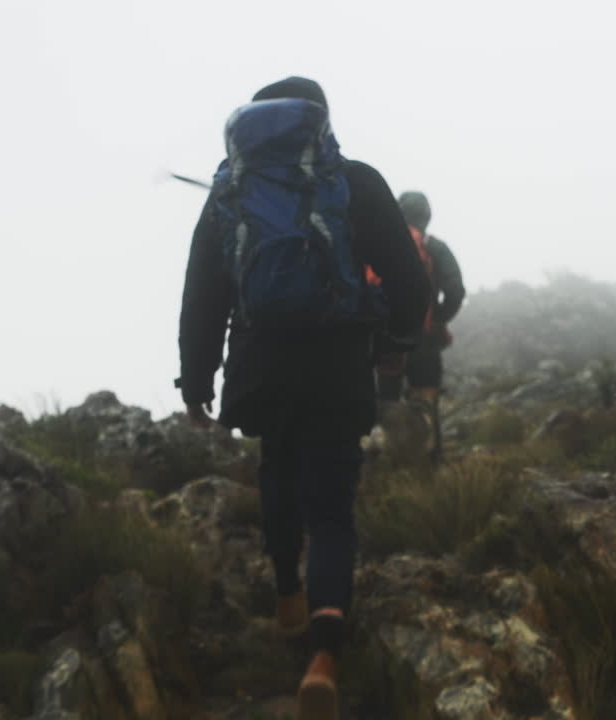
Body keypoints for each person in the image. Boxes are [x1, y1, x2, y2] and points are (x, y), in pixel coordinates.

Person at [177, 76, 429, 720]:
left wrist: (197, 381)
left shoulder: (231, 190)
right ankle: (323, 654)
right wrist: (395, 341)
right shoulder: (355, 181)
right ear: (319, 119)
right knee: (333, 511)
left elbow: (202, 297)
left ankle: (287, 592)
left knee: (277, 473)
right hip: (339, 367)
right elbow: (406, 275)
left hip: (260, 370)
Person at [375, 190, 466, 463]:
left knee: (388, 401)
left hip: (386, 339)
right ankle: (428, 462)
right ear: (427, 216)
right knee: (425, 399)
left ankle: (390, 459)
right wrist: (438, 317)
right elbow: (455, 290)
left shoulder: (381, 244)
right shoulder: (435, 248)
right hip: (423, 340)